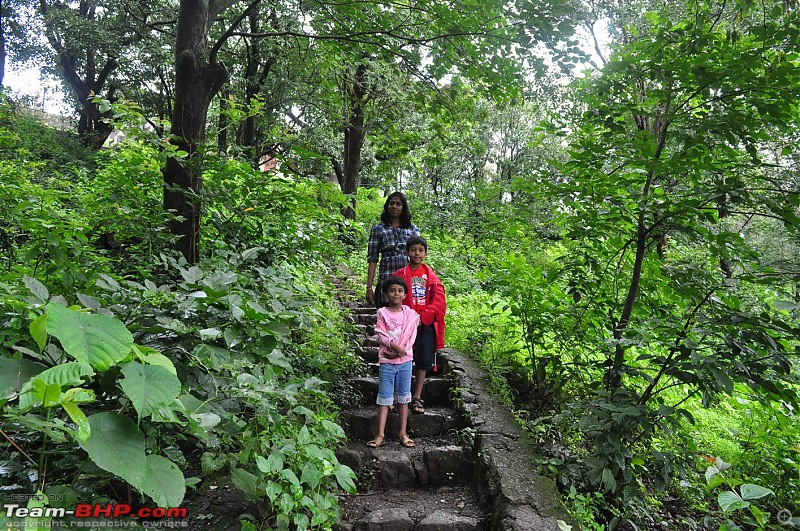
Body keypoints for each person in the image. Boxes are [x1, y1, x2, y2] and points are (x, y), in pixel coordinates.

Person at [393, 235, 446, 415]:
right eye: (413, 249)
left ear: (426, 253)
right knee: (399, 358)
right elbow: (393, 296)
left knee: (422, 361)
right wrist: (405, 318)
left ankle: (416, 397)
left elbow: (439, 302)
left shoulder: (431, 277)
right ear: (407, 252)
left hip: (424, 324)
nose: (417, 253)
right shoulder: (399, 274)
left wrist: (423, 317)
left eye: (421, 250)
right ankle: (397, 397)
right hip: (402, 324)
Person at [367, 276, 419, 449]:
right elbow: (381, 334)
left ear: (405, 294)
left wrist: (399, 353)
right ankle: (380, 434)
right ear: (385, 294)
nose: (396, 294)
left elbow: (411, 337)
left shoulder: (410, 314)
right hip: (387, 362)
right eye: (392, 290)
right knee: (384, 398)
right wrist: (397, 348)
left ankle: (403, 433)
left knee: (404, 397)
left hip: (405, 361)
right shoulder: (382, 313)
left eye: (399, 290)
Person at [366, 192, 419, 308]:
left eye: (398, 204)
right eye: (391, 203)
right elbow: (373, 258)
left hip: (408, 279)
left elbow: (418, 256)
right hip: (386, 278)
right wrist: (369, 287)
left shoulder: (412, 229)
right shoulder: (378, 229)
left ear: (403, 207)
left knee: (407, 316)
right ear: (387, 206)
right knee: (386, 315)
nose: (394, 206)